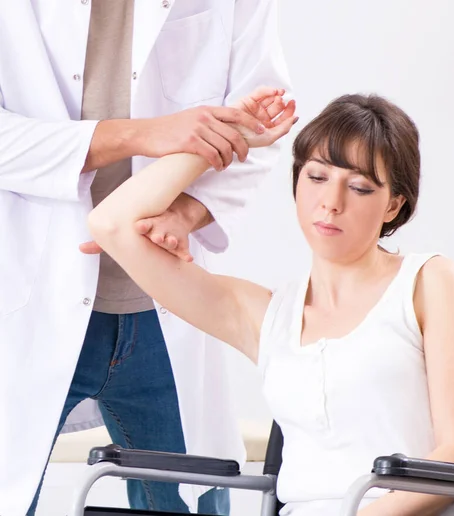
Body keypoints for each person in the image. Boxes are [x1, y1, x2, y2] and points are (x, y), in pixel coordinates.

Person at [87, 90, 454, 516]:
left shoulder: (428, 282)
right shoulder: (267, 315)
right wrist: (228, 135)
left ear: (393, 205)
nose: (331, 203)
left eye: (359, 187)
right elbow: (109, 225)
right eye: (316, 177)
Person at [0, 0, 291, 514]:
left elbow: (258, 132)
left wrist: (184, 213)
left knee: (196, 499)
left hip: (166, 301)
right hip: (31, 297)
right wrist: (143, 132)